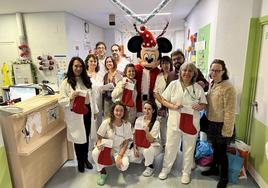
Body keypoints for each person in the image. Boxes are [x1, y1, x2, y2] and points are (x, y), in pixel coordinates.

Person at [158, 62, 207, 184]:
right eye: (184, 70)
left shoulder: (198, 88)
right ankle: (166, 169)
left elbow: (203, 104)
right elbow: (163, 100)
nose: (187, 73)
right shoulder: (173, 85)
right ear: (180, 72)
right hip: (174, 121)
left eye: (190, 71)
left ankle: (186, 173)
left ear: (194, 73)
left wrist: (199, 106)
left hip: (191, 123)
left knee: (189, 148)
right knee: (170, 146)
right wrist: (173, 106)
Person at [58, 56, 98, 173]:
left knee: (86, 136)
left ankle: (85, 159)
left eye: (80, 66)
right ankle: (80, 161)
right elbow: (61, 101)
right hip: (75, 114)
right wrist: (70, 97)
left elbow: (93, 97)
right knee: (78, 137)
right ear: (71, 66)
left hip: (87, 112)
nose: (78, 68)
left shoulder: (86, 80)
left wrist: (95, 111)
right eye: (76, 66)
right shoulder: (66, 82)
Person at [201, 59, 236, 188]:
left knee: (222, 152)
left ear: (223, 71)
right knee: (215, 149)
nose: (214, 72)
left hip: (222, 125)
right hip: (212, 123)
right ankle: (214, 169)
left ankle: (224, 177)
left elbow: (230, 111)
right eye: (212, 70)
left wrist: (227, 130)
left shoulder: (228, 88)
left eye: (217, 70)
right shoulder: (213, 84)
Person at [92, 101, 132, 186]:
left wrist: (120, 156)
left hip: (119, 149)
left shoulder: (127, 124)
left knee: (124, 166)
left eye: (121, 110)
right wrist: (99, 144)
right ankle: (103, 172)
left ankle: (114, 160)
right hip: (107, 147)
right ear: (113, 111)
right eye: (116, 110)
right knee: (95, 153)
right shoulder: (106, 122)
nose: (119, 112)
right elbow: (99, 137)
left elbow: (126, 142)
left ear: (124, 112)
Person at [130, 100, 161, 177]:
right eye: (145, 108)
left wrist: (147, 132)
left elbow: (151, 140)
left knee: (147, 151)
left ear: (153, 110)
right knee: (132, 158)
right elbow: (134, 135)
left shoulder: (156, 123)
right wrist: (135, 147)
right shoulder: (139, 119)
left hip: (152, 145)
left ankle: (150, 166)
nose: (146, 111)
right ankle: (145, 158)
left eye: (149, 109)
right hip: (141, 143)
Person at [153, 56, 173, 148]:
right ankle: (164, 145)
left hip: (172, 106)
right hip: (160, 106)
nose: (165, 65)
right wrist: (162, 104)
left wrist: (167, 105)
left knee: (172, 127)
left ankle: (171, 145)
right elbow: (155, 92)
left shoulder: (174, 75)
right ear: (161, 65)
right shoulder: (159, 76)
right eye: (163, 63)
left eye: (167, 63)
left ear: (170, 64)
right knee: (162, 127)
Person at [85, 54, 103, 131]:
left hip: (99, 101)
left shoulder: (100, 75)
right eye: (91, 61)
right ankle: (91, 142)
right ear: (87, 63)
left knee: (99, 121)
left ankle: (98, 140)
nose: (93, 63)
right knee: (91, 122)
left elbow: (101, 88)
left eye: (95, 61)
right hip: (90, 102)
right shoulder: (85, 75)